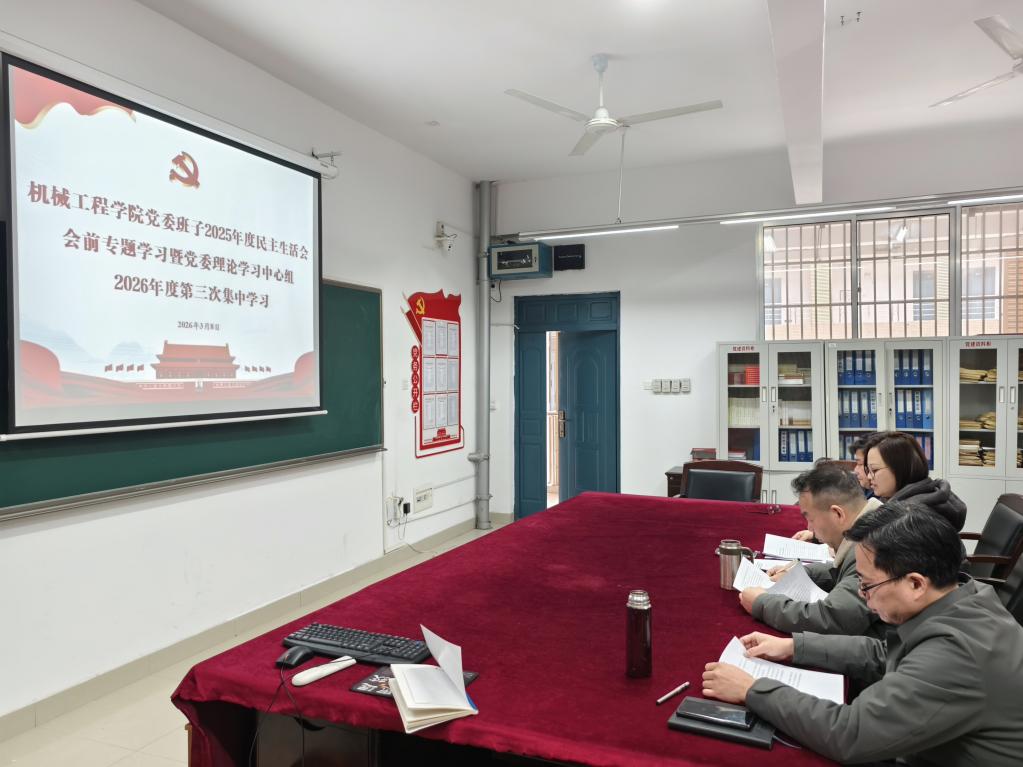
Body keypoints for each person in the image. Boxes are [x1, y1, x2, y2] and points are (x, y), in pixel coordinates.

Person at [702, 502, 1023, 765]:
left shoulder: (956, 654)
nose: (861, 594)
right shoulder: (965, 593)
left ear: (915, 584)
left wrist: (752, 690)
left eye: (868, 585)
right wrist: (795, 647)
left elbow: (850, 734)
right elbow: (886, 653)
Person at [739, 463, 886, 638]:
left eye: (811, 519)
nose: (809, 528)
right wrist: (802, 573)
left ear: (838, 514)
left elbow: (831, 619)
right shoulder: (875, 525)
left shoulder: (870, 549)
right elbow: (845, 569)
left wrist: (762, 603)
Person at [864, 431, 966, 531]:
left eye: (874, 470)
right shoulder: (895, 503)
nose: (869, 476)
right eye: (868, 470)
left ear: (901, 468)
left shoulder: (914, 517)